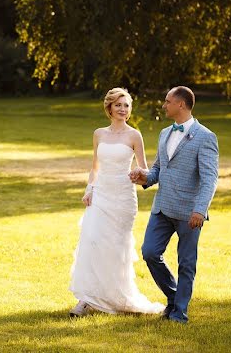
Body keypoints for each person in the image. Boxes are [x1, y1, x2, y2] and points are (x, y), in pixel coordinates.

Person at [69, 88, 166, 317]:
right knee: (91, 242)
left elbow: (145, 168)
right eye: (119, 105)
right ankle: (86, 299)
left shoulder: (134, 136)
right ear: (109, 108)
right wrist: (89, 189)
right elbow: (95, 167)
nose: (123, 109)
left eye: (126, 106)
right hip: (100, 195)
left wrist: (138, 174)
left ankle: (113, 296)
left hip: (122, 199)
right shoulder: (99, 134)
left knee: (114, 248)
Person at [129, 86, 219, 324]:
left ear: (181, 104)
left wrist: (200, 209)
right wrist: (145, 177)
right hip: (162, 208)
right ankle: (175, 296)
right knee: (149, 252)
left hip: (190, 213)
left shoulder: (205, 137)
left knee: (186, 264)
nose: (164, 104)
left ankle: (179, 313)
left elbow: (210, 178)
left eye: (167, 101)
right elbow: (160, 168)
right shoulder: (164, 133)